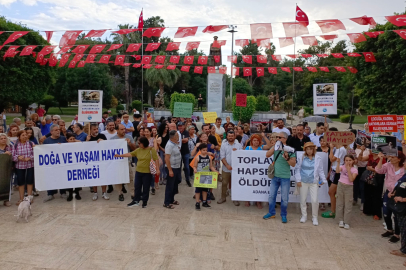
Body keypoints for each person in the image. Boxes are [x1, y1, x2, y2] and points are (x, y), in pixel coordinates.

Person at [116, 137, 159, 208]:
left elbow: (156, 159)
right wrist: (119, 155)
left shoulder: (151, 150)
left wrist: (157, 169)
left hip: (147, 173)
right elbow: (130, 154)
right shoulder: (138, 150)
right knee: (137, 187)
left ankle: (144, 202)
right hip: (138, 172)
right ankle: (136, 200)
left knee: (146, 188)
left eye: (139, 143)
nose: (138, 144)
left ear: (144, 143)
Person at [264, 132, 296, 223]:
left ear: (285, 139)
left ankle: (283, 215)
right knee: (271, 196)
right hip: (275, 176)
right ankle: (271, 213)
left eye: (279, 137)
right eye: (277, 137)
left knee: (284, 198)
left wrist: (287, 158)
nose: (277, 138)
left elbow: (293, 164)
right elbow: (267, 155)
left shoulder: (290, 150)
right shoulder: (276, 147)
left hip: (285, 177)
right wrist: (275, 147)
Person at [375, 151, 406, 243]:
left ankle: (397, 234)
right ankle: (389, 229)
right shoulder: (388, 165)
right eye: (390, 157)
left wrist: (395, 192)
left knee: (396, 215)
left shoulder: (403, 168)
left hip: (399, 194)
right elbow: (378, 170)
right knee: (386, 212)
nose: (390, 159)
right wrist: (381, 159)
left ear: (399, 159)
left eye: (393, 157)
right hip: (388, 193)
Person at [295, 142, 327, 226]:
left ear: (314, 149)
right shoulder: (301, 157)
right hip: (303, 181)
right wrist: (298, 180)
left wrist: (323, 179)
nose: (309, 151)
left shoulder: (318, 158)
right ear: (305, 150)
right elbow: (297, 169)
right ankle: (304, 215)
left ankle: (314, 217)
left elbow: (320, 170)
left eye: (311, 149)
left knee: (315, 200)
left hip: (314, 182)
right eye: (307, 149)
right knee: (303, 199)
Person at [244, 133, 272, 209]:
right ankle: (247, 200)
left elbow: (269, 146)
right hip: (249, 171)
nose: (256, 142)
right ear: (252, 141)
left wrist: (264, 137)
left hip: (258, 171)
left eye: (257, 140)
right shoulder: (248, 148)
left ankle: (258, 201)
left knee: (258, 186)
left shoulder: (261, 147)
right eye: (254, 140)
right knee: (249, 185)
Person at [322, 139, 348, 219]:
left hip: (339, 172)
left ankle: (334, 211)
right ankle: (334, 211)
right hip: (335, 171)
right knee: (334, 192)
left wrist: (332, 149)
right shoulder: (338, 149)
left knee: (331, 192)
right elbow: (331, 159)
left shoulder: (341, 149)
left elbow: (332, 159)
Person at [42, 124, 68, 202]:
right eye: (56, 130)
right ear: (51, 132)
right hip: (51, 164)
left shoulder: (63, 139)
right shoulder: (47, 141)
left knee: (62, 177)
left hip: (62, 163)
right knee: (50, 177)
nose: (58, 131)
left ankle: (63, 192)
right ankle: (50, 194)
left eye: (58, 130)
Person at [111, 124, 136, 201]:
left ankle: (132, 193)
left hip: (127, 161)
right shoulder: (112, 139)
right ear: (117, 130)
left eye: (124, 129)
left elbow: (134, 148)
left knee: (130, 178)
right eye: (121, 129)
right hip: (117, 162)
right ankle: (120, 193)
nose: (123, 131)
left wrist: (129, 143)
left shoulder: (129, 137)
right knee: (118, 178)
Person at [217, 130, 242, 206]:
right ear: (227, 137)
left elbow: (242, 156)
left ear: (234, 136)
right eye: (229, 136)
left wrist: (237, 152)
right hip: (226, 168)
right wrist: (227, 165)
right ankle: (223, 197)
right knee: (224, 183)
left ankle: (235, 199)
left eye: (232, 136)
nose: (231, 137)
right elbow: (222, 157)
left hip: (236, 169)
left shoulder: (238, 145)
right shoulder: (224, 145)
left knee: (235, 184)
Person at [12, 130, 35, 205]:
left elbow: (36, 153)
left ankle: (29, 198)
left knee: (30, 181)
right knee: (21, 182)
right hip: (19, 166)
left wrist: (30, 158)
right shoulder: (15, 145)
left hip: (30, 165)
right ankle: (21, 199)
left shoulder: (31, 143)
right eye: (23, 135)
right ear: (19, 137)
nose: (25, 136)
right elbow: (12, 156)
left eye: (26, 135)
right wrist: (18, 157)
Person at [193, 143, 218, 210]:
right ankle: (197, 202)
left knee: (205, 190)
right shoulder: (197, 158)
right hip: (199, 175)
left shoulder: (209, 157)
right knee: (198, 190)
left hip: (206, 175)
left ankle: (204, 201)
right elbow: (195, 166)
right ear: (200, 150)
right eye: (203, 150)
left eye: (206, 150)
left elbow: (211, 166)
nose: (205, 151)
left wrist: (215, 171)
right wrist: (195, 169)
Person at [335, 155, 358, 229]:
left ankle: (347, 221)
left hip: (349, 187)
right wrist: (338, 163)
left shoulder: (354, 170)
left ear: (353, 161)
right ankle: (340, 220)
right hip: (340, 185)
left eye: (350, 160)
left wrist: (348, 170)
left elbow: (351, 180)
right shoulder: (342, 166)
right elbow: (337, 171)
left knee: (348, 204)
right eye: (346, 160)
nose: (348, 162)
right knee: (339, 203)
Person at [363, 152, 386, 219]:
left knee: (376, 195)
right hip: (369, 177)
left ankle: (376, 213)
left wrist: (372, 169)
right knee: (367, 194)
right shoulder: (370, 156)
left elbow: (382, 170)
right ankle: (367, 211)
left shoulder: (382, 158)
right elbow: (362, 160)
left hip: (378, 178)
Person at [163, 130, 182, 209]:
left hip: (177, 166)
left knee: (175, 184)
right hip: (172, 168)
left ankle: (172, 199)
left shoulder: (175, 143)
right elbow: (167, 158)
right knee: (170, 185)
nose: (178, 137)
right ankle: (167, 202)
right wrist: (170, 170)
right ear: (174, 137)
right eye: (177, 135)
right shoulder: (169, 145)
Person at [353, 144, 370, 210]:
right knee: (355, 185)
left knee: (362, 187)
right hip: (356, 168)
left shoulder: (368, 150)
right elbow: (355, 160)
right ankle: (355, 199)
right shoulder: (354, 150)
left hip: (364, 169)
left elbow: (363, 159)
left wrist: (362, 151)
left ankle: (363, 202)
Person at [0, 133, 12, 206]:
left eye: (4, 138)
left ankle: (6, 200)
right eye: (1, 139)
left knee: (7, 184)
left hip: (7, 169)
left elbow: (14, 155)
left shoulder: (10, 147)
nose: (3, 140)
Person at [157, 121, 169, 185]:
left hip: (167, 151)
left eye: (167, 127)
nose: (166, 128)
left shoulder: (169, 135)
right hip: (161, 151)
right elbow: (158, 144)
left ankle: (165, 177)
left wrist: (166, 151)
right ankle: (160, 178)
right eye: (165, 127)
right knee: (161, 165)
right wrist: (162, 149)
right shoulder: (159, 135)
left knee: (166, 165)